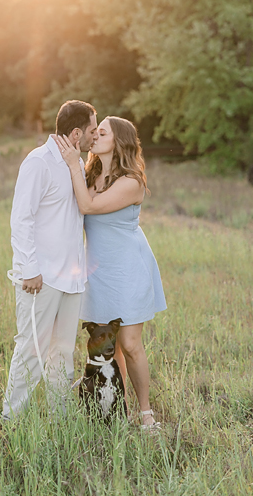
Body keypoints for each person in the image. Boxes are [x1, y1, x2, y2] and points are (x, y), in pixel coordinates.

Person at [55, 116, 166, 432]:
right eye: (95, 131)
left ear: (119, 141)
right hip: (98, 271)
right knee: (109, 345)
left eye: (102, 132)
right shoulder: (89, 175)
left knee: (129, 343)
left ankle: (146, 415)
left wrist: (72, 163)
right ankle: (120, 409)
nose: (95, 135)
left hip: (128, 268)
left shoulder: (131, 182)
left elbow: (88, 207)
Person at [2, 100, 98, 420]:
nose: (95, 136)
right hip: (41, 278)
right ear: (76, 134)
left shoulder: (77, 164)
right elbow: (21, 219)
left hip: (71, 277)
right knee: (31, 349)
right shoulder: (38, 162)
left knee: (63, 352)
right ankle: (11, 420)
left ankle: (61, 419)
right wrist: (29, 270)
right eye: (92, 131)